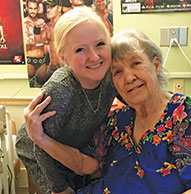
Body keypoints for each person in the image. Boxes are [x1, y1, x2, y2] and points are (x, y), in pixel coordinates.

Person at [24, 28, 191, 194]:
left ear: (155, 65)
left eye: (136, 63)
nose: (129, 77)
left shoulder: (187, 115)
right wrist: (41, 139)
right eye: (117, 72)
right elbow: (85, 165)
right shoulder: (118, 122)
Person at [16, 6, 118, 194]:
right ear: (64, 57)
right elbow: (39, 146)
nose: (94, 57)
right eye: (80, 49)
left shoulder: (110, 76)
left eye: (100, 44)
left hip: (72, 144)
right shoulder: (61, 91)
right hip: (37, 150)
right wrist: (60, 188)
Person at [24, 0, 50, 87]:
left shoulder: (41, 22)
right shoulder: (24, 23)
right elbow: (26, 43)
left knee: (43, 90)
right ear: (26, 8)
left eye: (35, 8)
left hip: (42, 60)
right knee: (28, 91)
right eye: (30, 8)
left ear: (38, 9)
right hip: (29, 60)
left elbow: (46, 41)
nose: (33, 11)